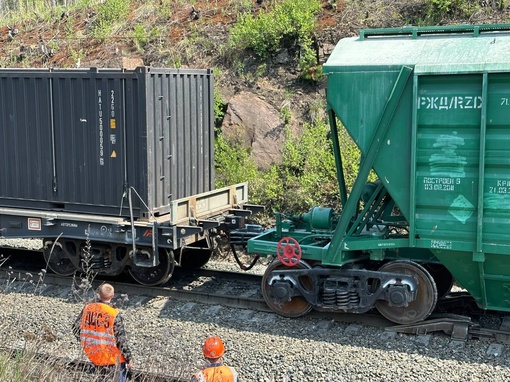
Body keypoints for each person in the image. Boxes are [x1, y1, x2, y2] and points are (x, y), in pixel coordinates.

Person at [73, 283, 134, 382]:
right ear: (112, 296)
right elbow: (120, 341)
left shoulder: (88, 308)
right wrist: (129, 359)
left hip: (94, 356)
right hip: (112, 360)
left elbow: (76, 328)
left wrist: (86, 344)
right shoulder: (113, 314)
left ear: (98, 294)